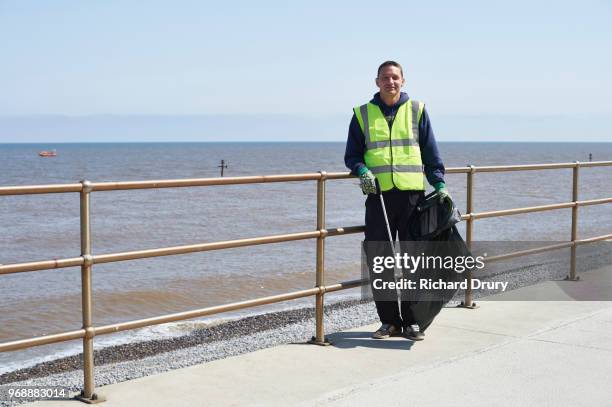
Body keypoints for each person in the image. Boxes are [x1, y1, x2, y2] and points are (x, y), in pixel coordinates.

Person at [344, 60, 449, 341]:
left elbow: (430, 152)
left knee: (414, 258)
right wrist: (361, 170)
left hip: (412, 195)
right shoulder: (361, 114)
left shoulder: (417, 111)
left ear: (403, 81)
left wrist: (439, 182)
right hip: (378, 197)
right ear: (376, 82)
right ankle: (389, 321)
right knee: (380, 258)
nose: (390, 82)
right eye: (385, 78)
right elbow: (351, 155)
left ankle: (413, 322)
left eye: (395, 77)